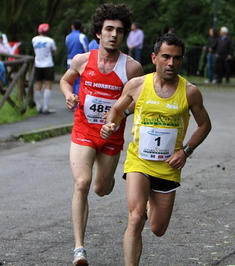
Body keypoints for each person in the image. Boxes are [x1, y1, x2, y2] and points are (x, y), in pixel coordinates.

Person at [100, 33, 212, 266]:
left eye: (177, 58)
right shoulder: (137, 85)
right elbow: (117, 109)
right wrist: (111, 123)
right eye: (166, 57)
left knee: (158, 229)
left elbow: (205, 125)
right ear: (154, 58)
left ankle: (150, 200)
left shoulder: (190, 91)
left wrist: (186, 151)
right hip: (139, 161)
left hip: (168, 166)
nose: (171, 63)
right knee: (135, 217)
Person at [59, 3, 143, 266]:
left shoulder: (132, 68)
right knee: (82, 184)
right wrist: (69, 95)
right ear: (98, 33)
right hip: (84, 130)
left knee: (100, 188)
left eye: (119, 30)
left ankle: (107, 182)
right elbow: (64, 80)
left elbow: (137, 101)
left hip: (111, 137)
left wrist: (121, 115)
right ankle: (79, 249)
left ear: (124, 35)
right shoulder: (82, 60)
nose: (114, 34)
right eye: (108, 29)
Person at [32, 23, 56, 114]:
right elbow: (54, 52)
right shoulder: (50, 41)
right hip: (48, 65)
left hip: (38, 64)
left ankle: (38, 107)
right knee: (48, 85)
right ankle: (45, 107)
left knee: (38, 85)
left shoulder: (34, 39)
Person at [65, 19, 89, 95]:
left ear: (72, 27)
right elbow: (87, 50)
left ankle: (71, 99)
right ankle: (77, 101)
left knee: (70, 81)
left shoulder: (68, 37)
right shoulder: (82, 36)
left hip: (70, 61)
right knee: (79, 82)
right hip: (80, 62)